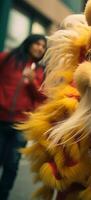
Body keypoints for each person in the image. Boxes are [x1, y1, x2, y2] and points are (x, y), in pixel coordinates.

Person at [0, 34, 46, 199]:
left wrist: (33, 82)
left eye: (43, 46)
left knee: (12, 164)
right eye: (37, 44)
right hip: (1, 119)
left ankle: (3, 195)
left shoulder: (40, 71)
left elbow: (42, 97)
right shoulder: (8, 59)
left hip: (21, 124)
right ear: (29, 43)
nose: (40, 48)